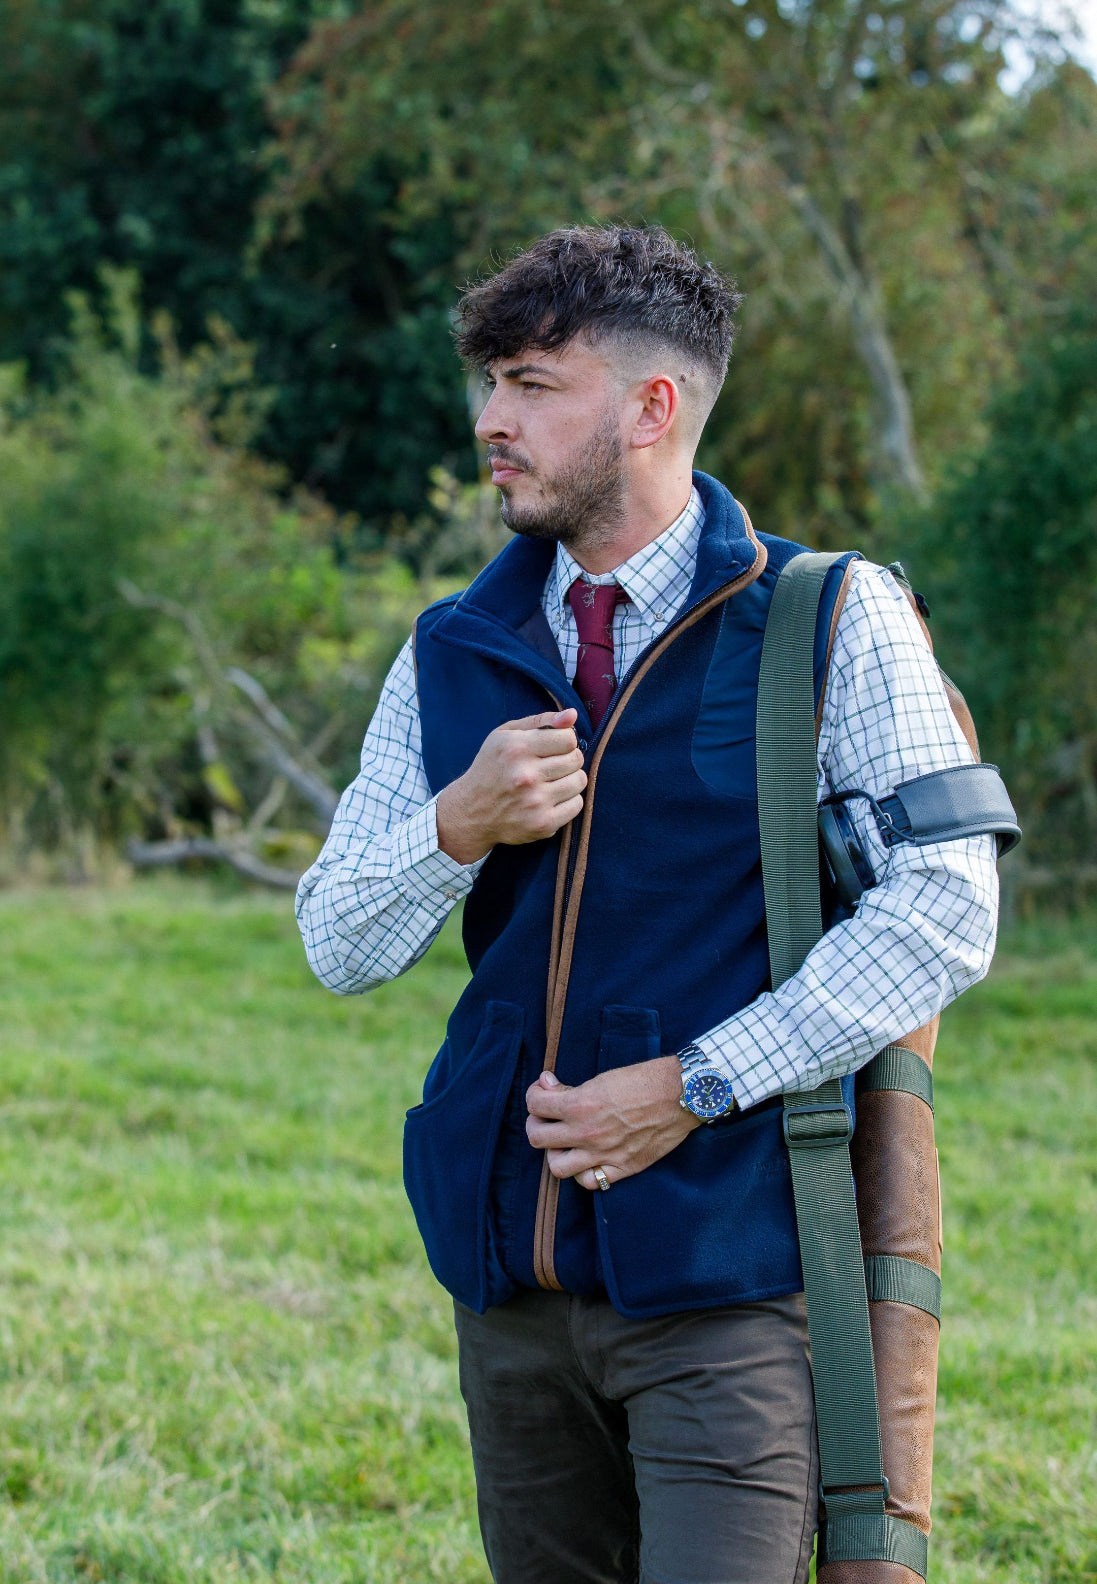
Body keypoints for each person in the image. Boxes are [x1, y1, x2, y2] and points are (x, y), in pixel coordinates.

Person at [296, 225, 997, 1584]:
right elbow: (336, 943)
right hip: (508, 1290)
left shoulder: (828, 618)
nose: (491, 421)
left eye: (532, 384)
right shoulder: (453, 646)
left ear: (651, 406)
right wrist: (458, 825)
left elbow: (946, 910)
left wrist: (694, 1081)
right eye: (490, 383)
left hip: (731, 1283)